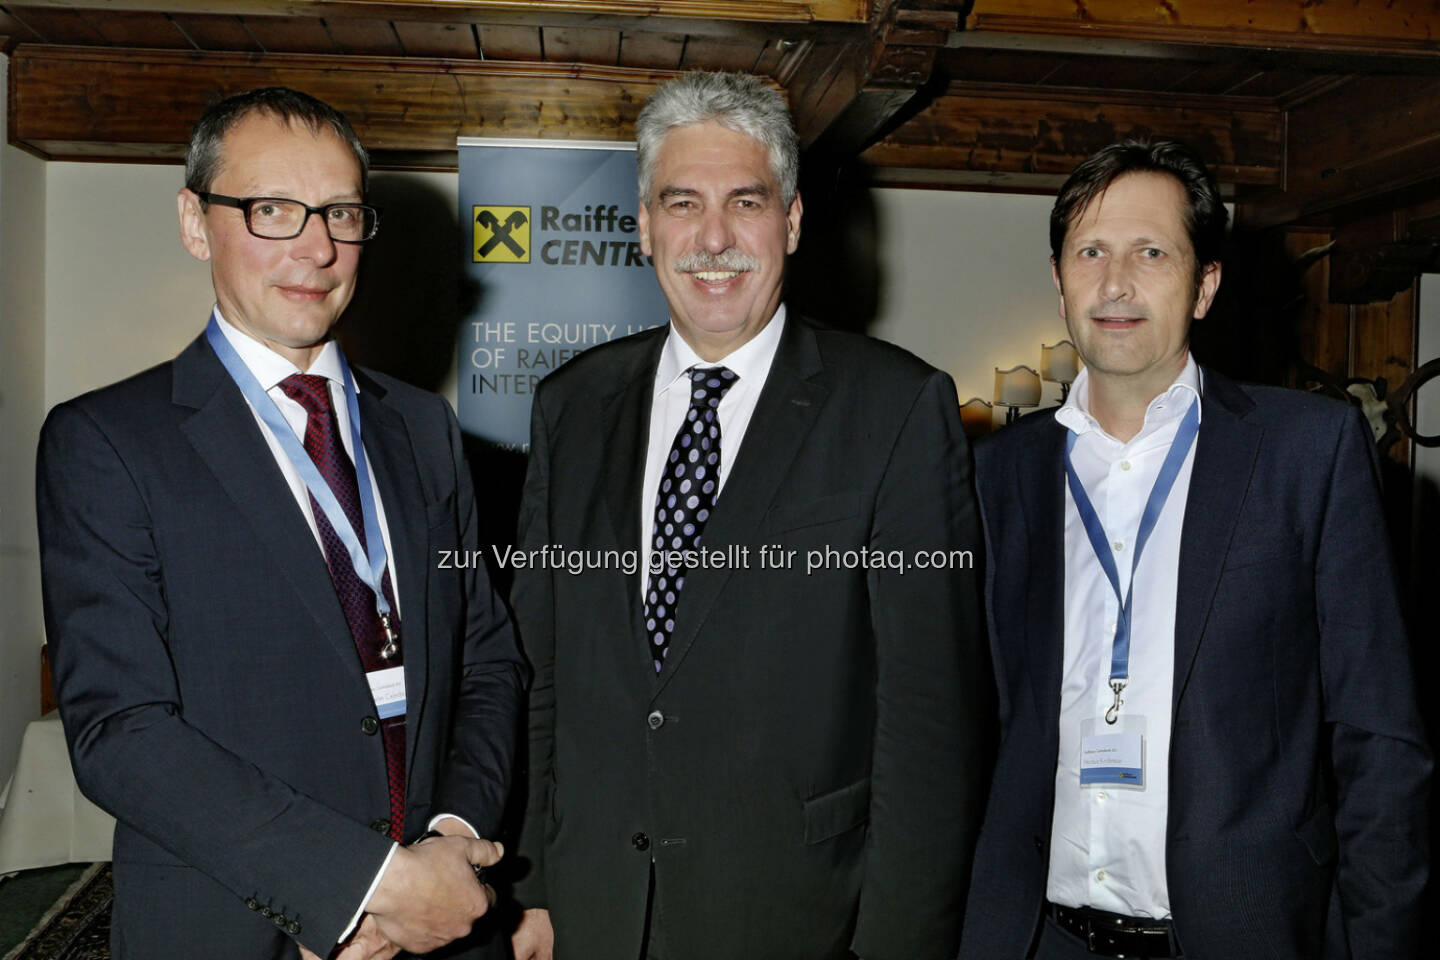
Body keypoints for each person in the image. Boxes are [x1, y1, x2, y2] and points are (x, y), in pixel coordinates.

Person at [507, 71, 991, 960]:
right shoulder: (571, 407)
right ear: (645, 226)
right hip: (592, 913)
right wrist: (529, 888)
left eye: (746, 201)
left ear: (794, 221)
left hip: (800, 921)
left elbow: (930, 727)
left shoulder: (896, 409)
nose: (714, 237)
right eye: (682, 203)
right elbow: (542, 674)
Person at [36, 87, 526, 960]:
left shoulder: (425, 428)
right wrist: (362, 888)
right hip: (235, 926)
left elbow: (488, 660)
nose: (317, 247)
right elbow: (121, 733)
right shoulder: (106, 441)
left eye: (339, 211)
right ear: (196, 222)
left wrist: (448, 846)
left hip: (443, 928)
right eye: (271, 210)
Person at [959, 139, 1431, 959]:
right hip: (1035, 936)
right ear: (1059, 278)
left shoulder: (1307, 452)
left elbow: (1379, 736)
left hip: (1243, 934)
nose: (1116, 283)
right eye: (1091, 252)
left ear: (1205, 284)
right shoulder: (998, 473)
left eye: (1151, 252)